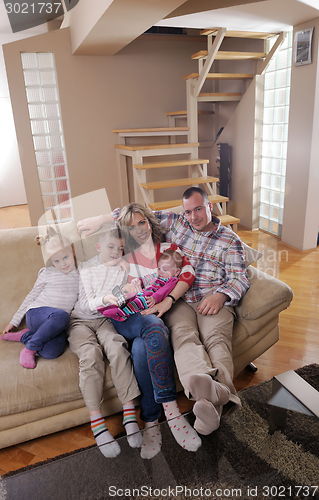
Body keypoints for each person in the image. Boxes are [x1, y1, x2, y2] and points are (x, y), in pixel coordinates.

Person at [77, 187, 250, 436]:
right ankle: (201, 395)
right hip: (180, 303)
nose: (194, 216)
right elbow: (136, 216)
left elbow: (239, 278)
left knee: (216, 342)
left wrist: (221, 295)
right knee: (183, 340)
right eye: (188, 211)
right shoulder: (177, 222)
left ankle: (213, 403)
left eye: (199, 209)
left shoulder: (229, 239)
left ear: (210, 206)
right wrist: (101, 219)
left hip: (212, 299)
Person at [80, 204, 201, 459]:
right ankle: (172, 411)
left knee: (140, 348)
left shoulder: (168, 250)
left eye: (142, 223)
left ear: (150, 222)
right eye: (131, 227)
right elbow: (108, 294)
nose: (138, 230)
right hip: (127, 319)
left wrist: (168, 301)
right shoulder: (124, 259)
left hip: (152, 318)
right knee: (154, 326)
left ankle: (150, 421)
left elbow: (187, 273)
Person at [68, 227, 142, 458]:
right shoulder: (87, 268)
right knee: (91, 355)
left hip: (105, 320)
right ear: (99, 247)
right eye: (111, 247)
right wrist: (107, 298)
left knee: (118, 348)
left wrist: (128, 290)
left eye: (120, 249)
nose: (115, 253)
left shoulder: (122, 268)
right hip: (80, 321)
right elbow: (88, 302)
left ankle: (129, 414)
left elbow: (118, 300)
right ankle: (97, 423)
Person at [1, 227, 79, 370]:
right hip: (37, 314)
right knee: (62, 315)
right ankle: (29, 348)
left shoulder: (81, 275)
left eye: (66, 257)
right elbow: (31, 296)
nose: (63, 264)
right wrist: (14, 321)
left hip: (56, 324)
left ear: (73, 250)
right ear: (51, 261)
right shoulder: (47, 273)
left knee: (52, 352)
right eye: (57, 261)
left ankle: (25, 336)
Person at [98, 249, 183, 322]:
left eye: (164, 270)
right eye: (159, 268)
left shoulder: (172, 280)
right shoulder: (158, 275)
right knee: (128, 296)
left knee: (138, 302)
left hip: (150, 298)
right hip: (143, 292)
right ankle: (109, 306)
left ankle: (121, 314)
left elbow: (163, 291)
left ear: (177, 272)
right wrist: (140, 281)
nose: (160, 272)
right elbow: (148, 278)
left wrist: (154, 298)